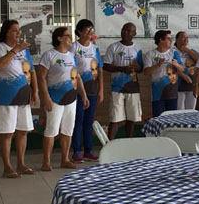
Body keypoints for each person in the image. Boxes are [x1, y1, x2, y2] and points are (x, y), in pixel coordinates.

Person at [0, 20, 38, 178]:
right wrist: (15, 50)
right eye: (14, 30)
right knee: (7, 133)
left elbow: (32, 71)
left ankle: (21, 164)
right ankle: (7, 167)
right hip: (6, 96)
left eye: (19, 30)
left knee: (23, 130)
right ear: (6, 32)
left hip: (24, 95)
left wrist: (35, 91)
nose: (18, 33)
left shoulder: (25, 51)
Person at [37, 27, 89, 171]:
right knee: (51, 130)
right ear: (59, 38)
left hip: (71, 99)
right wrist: (46, 97)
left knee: (68, 130)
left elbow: (77, 77)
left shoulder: (72, 56)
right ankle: (46, 162)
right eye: (67, 35)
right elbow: (41, 77)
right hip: (55, 99)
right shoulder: (49, 55)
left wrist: (83, 95)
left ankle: (65, 160)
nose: (71, 38)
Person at [103, 23, 144, 139]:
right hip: (117, 88)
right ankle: (109, 144)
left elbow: (141, 69)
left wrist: (137, 68)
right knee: (115, 119)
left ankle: (128, 143)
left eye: (129, 30)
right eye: (124, 30)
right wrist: (121, 69)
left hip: (133, 88)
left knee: (131, 119)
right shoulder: (113, 47)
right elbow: (106, 65)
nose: (125, 32)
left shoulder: (138, 49)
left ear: (134, 34)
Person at [70, 19, 103, 162]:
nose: (90, 32)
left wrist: (101, 89)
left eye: (92, 29)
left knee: (89, 121)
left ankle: (88, 150)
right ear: (79, 31)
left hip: (92, 89)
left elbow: (100, 69)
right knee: (78, 120)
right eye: (87, 30)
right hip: (77, 89)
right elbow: (71, 69)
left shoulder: (95, 48)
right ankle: (76, 151)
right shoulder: (73, 47)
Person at [143, 30, 191, 117]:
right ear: (161, 40)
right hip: (157, 94)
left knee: (172, 119)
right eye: (168, 39)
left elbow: (182, 68)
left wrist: (177, 65)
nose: (171, 41)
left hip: (172, 94)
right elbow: (146, 72)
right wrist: (157, 65)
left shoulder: (173, 53)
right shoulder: (150, 54)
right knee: (158, 118)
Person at [174, 31, 199, 110]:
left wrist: (188, 51)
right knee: (179, 111)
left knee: (191, 110)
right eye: (183, 37)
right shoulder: (172, 51)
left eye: (187, 38)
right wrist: (183, 75)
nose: (186, 39)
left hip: (191, 85)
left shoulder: (191, 51)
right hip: (177, 86)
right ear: (176, 39)